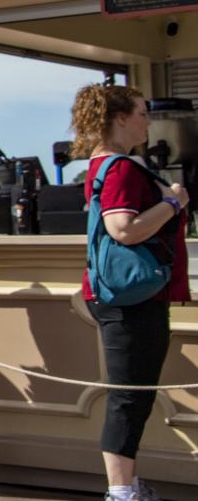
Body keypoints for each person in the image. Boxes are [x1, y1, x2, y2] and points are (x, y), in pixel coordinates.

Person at [70, 84, 190, 501]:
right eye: (141, 112)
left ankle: (126, 486)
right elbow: (124, 228)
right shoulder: (121, 168)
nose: (148, 119)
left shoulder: (104, 165)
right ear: (120, 118)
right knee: (129, 395)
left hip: (125, 295)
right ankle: (121, 491)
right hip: (131, 298)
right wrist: (173, 203)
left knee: (132, 392)